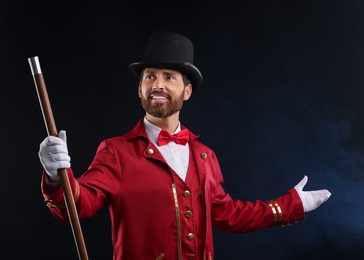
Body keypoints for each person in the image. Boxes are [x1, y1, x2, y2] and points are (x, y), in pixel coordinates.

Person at [38, 31, 331, 260]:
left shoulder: (205, 156)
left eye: (169, 77)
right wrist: (54, 175)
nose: (158, 84)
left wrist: (291, 205)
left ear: (187, 91)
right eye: (150, 76)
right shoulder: (115, 151)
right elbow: (77, 206)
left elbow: (229, 215)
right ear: (139, 88)